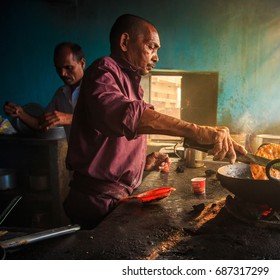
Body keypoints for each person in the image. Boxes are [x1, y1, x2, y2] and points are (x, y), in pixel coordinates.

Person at [64, 14, 247, 229]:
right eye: (151, 47)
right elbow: (127, 116)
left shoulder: (131, 83)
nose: (156, 57)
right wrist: (195, 131)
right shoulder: (103, 70)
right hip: (96, 203)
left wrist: (141, 163)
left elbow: (113, 140)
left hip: (113, 198)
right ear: (125, 42)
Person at [3, 42, 86, 141]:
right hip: (75, 155)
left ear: (82, 63)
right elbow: (40, 124)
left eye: (68, 67)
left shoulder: (96, 88)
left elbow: (105, 120)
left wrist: (67, 118)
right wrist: (19, 112)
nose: (62, 73)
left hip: (98, 155)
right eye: (58, 68)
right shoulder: (61, 93)